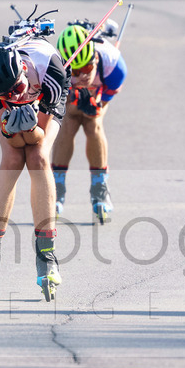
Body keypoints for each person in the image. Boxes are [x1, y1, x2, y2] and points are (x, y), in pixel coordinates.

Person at [0, 36, 71, 300]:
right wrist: (9, 127)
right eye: (6, 95)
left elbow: (38, 136)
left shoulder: (51, 73)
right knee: (13, 159)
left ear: (23, 70)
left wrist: (29, 127)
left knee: (38, 156)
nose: (14, 96)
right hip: (14, 108)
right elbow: (13, 142)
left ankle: (46, 254)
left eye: (16, 87)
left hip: (44, 96)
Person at [51, 23, 128, 221]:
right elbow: (60, 101)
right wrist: (73, 98)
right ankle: (56, 190)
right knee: (68, 122)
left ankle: (99, 189)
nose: (82, 76)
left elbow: (102, 103)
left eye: (86, 68)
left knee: (93, 123)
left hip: (99, 91)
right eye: (74, 73)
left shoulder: (115, 66)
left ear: (94, 58)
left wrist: (95, 102)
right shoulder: (56, 69)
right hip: (70, 97)